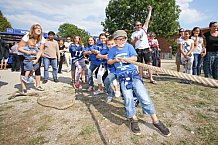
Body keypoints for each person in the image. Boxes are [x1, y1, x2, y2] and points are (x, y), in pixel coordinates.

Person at [108, 30, 171, 136]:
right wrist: (115, 60)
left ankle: (155, 121)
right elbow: (109, 61)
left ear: (126, 39)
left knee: (144, 97)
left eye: (123, 39)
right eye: (118, 39)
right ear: (115, 40)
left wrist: (126, 59)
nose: (121, 41)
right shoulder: (112, 50)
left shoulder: (129, 46)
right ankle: (133, 119)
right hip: (123, 78)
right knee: (128, 99)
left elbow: (135, 57)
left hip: (134, 75)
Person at [131, 5, 156, 84]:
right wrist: (136, 39)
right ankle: (141, 78)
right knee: (140, 65)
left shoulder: (144, 29)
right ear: (135, 26)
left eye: (140, 25)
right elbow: (132, 43)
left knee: (149, 64)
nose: (139, 26)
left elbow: (147, 19)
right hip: (138, 50)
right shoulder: (133, 34)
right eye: (137, 25)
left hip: (146, 49)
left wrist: (150, 11)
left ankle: (151, 78)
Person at [18, 23, 45, 94]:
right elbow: (19, 48)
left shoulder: (42, 38)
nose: (39, 29)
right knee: (24, 71)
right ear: (33, 30)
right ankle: (24, 88)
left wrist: (36, 59)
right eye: (37, 28)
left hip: (35, 56)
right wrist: (27, 52)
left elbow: (40, 50)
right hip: (25, 56)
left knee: (37, 70)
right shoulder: (27, 37)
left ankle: (38, 85)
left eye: (40, 28)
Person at [103, 36, 121, 103]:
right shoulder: (106, 51)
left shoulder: (120, 49)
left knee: (125, 86)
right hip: (113, 71)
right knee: (106, 81)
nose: (110, 46)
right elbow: (98, 55)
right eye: (108, 44)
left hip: (122, 71)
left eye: (112, 44)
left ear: (116, 43)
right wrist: (104, 56)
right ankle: (110, 93)